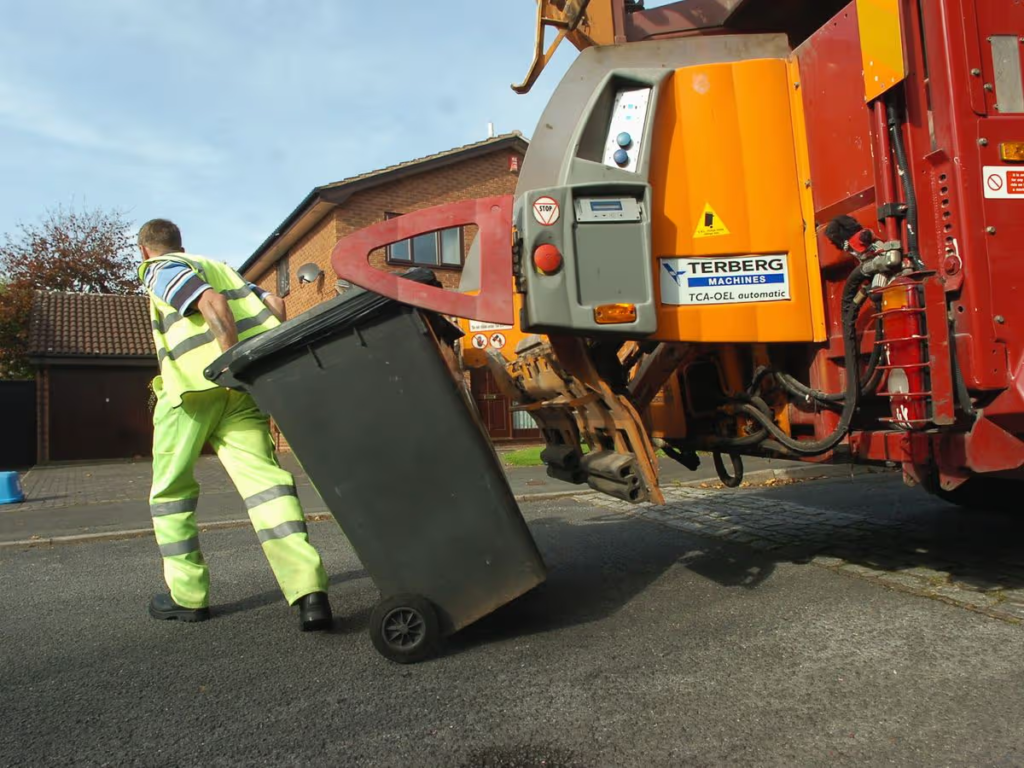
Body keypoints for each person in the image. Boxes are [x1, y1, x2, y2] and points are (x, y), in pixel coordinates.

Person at [136, 218, 332, 631]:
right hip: (241, 396)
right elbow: (276, 307)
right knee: (267, 487)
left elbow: (210, 304)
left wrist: (227, 362)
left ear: (145, 250)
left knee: (171, 492)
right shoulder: (224, 269)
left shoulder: (159, 268)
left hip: (191, 392)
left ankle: (187, 596)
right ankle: (308, 591)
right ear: (182, 242)